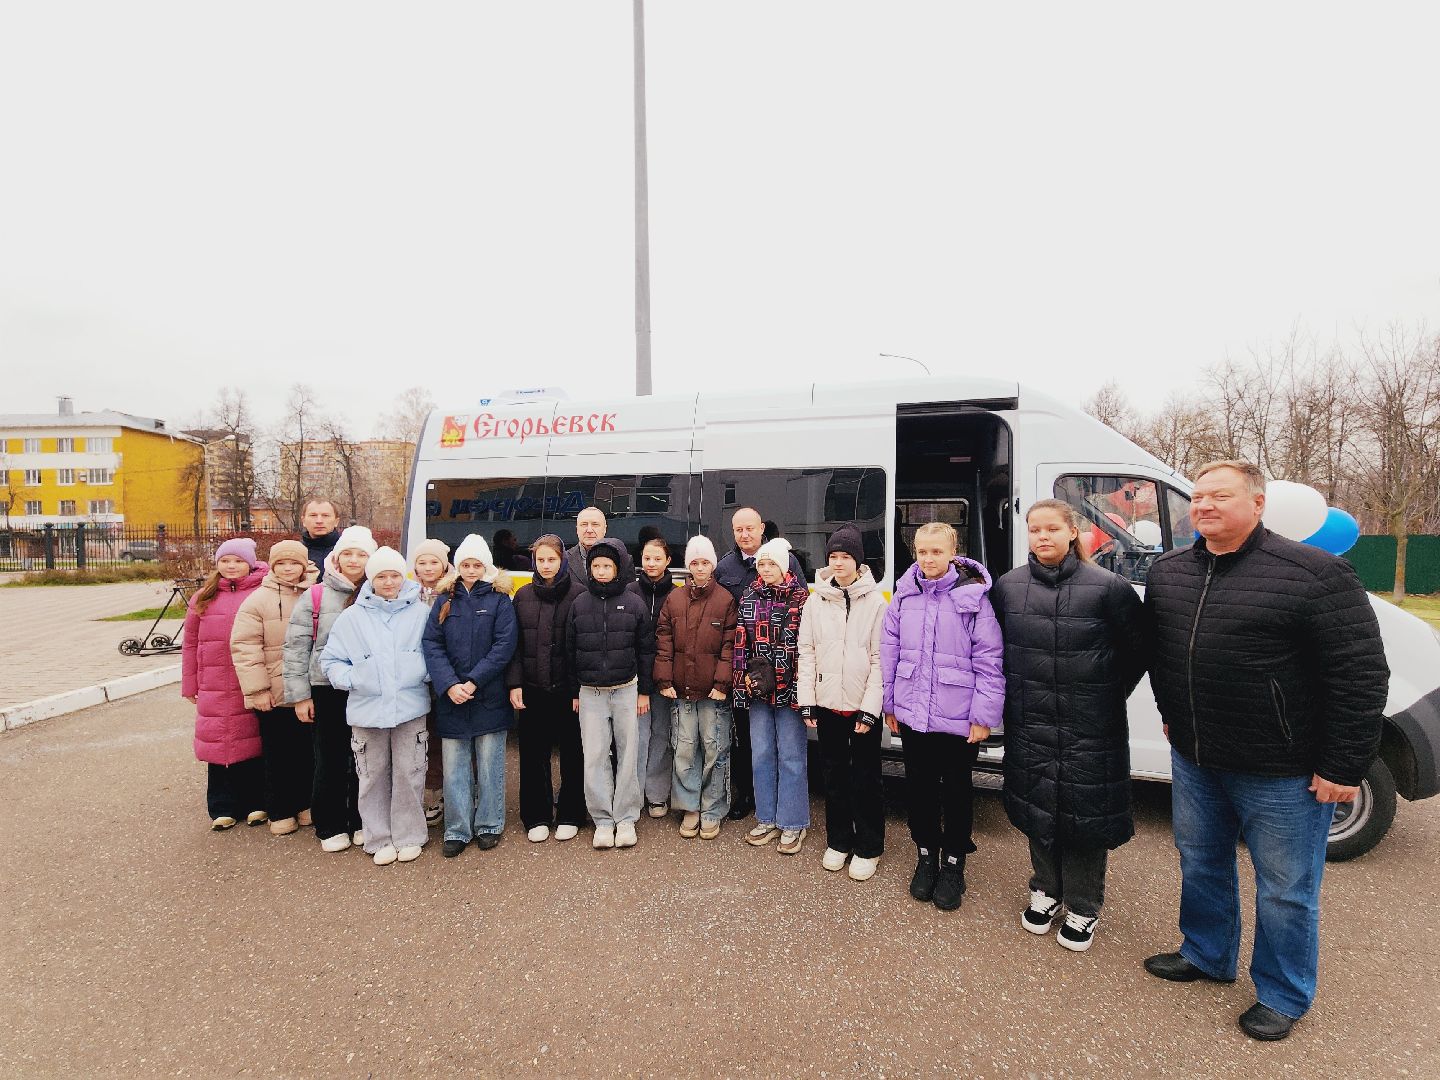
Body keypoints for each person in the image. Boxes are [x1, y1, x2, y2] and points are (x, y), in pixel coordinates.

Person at [1141, 460, 1388, 1041]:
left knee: (1285, 888)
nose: (1203, 506)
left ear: (1257, 503)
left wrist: (1342, 765)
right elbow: (1164, 657)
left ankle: (1283, 994)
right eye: (1197, 496)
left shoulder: (1316, 573)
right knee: (1201, 862)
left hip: (1283, 770)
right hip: (1198, 758)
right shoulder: (1170, 572)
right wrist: (1173, 719)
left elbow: (1359, 675)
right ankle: (1205, 953)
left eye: (1219, 496)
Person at [990, 500, 1146, 951]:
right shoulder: (1008, 587)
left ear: (1073, 532)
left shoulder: (1108, 588)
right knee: (1039, 805)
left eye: (1052, 529)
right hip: (1031, 718)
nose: (1043, 537)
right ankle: (1045, 889)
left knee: (1085, 814)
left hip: (1090, 724)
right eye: (1035, 529)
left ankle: (1082, 905)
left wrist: (1106, 694)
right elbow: (993, 647)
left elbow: (1137, 651)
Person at [881, 522, 1004, 912]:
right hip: (914, 713)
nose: (928, 559)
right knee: (918, 788)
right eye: (921, 552)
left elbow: (989, 660)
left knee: (956, 790)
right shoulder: (904, 596)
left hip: (958, 716)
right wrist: (890, 704)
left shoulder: (973, 598)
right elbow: (889, 652)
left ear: (952, 553)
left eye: (936, 552)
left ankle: (953, 863)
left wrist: (984, 715)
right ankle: (925, 856)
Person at [320, 547, 432, 866]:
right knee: (371, 775)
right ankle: (378, 836)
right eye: (381, 576)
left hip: (410, 708)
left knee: (410, 772)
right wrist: (354, 677)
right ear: (371, 579)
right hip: (367, 710)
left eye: (394, 575)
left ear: (403, 576)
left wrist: (420, 672)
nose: (388, 582)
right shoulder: (353, 616)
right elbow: (330, 660)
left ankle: (409, 834)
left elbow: (434, 652)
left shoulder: (420, 613)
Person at [797, 523, 887, 881]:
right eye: (833, 556)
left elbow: (881, 659)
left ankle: (869, 846)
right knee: (833, 776)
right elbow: (807, 652)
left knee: (866, 777)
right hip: (827, 703)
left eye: (846, 556)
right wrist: (808, 701)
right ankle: (839, 840)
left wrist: (870, 708)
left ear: (858, 561)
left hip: (862, 706)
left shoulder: (876, 603)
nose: (838, 563)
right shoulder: (816, 600)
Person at [422, 534, 519, 858]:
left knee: (491, 767)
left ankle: (489, 825)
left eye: (477, 564)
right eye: (466, 564)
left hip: (488, 696)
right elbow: (432, 644)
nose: (472, 569)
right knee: (455, 768)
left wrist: (474, 681)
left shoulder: (499, 599)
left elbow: (504, 646)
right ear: (458, 566)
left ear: (486, 566)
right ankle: (457, 829)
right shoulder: (444, 599)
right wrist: (449, 684)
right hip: (452, 699)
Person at [284, 524, 374, 853]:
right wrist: (300, 695)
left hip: (366, 686)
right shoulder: (317, 595)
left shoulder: (380, 591)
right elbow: (295, 648)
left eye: (361, 554)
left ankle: (362, 819)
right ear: (335, 557)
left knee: (365, 757)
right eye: (347, 553)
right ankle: (330, 823)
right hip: (325, 687)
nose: (353, 560)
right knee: (330, 757)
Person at [714, 507, 806, 822]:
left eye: (750, 528)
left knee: (788, 750)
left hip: (785, 675)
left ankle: (789, 815)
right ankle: (750, 798)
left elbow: (802, 615)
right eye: (738, 529)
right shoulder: (725, 566)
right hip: (750, 676)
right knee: (750, 743)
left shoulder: (786, 561)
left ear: (761, 527)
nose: (744, 534)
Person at [567, 540, 657, 850]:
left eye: (607, 566)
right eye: (596, 566)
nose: (601, 571)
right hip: (590, 692)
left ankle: (627, 817)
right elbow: (570, 650)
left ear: (617, 568)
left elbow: (646, 651)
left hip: (626, 690)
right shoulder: (579, 603)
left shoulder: (633, 602)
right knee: (594, 756)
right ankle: (603, 820)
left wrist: (644, 691)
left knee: (628, 754)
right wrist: (574, 692)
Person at [229, 539, 319, 836]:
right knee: (277, 753)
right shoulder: (257, 600)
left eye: (294, 563)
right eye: (281, 563)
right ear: (272, 566)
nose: (288, 569)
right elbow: (245, 646)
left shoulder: (316, 594)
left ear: (304, 565)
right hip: (274, 691)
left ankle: (306, 804)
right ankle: (280, 809)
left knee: (307, 751)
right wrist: (257, 691)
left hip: (307, 689)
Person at [182, 538, 269, 830]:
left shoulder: (261, 592)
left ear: (251, 563)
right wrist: (189, 683)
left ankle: (257, 802)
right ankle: (223, 806)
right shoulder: (203, 598)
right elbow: (190, 643)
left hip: (250, 679)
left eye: (238, 561)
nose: (231, 566)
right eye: (225, 561)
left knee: (253, 740)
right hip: (214, 682)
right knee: (218, 743)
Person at [654, 536, 737, 839]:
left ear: (712, 566)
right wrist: (664, 679)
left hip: (714, 693)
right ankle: (690, 806)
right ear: (688, 566)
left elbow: (730, 646)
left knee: (715, 748)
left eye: (705, 563)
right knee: (685, 749)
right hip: (682, 690)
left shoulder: (725, 600)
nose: (700, 568)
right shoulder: (674, 600)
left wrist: (722, 683)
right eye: (695, 563)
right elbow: (664, 642)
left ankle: (712, 808)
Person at [733, 536, 811, 855]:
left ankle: (793, 822)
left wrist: (803, 690)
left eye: (771, 564)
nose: (765, 569)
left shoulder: (802, 599)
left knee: (791, 756)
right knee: (761, 753)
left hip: (790, 687)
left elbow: (808, 648)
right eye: (761, 564)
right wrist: (743, 682)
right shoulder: (749, 596)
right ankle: (766, 817)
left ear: (785, 565)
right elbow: (741, 643)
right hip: (759, 690)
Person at [508, 534, 586, 843]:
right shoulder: (523, 595)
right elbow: (514, 646)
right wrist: (514, 683)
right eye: (540, 560)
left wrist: (580, 689)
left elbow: (583, 647)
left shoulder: (579, 595)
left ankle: (570, 813)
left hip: (568, 690)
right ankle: (536, 815)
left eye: (551, 559)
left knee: (572, 753)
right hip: (532, 687)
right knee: (532, 754)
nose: (545, 565)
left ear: (562, 560)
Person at [409, 538, 453, 826]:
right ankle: (434, 793)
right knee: (427, 740)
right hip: (416, 678)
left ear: (444, 565)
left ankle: (459, 792)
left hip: (447, 676)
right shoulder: (405, 593)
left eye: (433, 562)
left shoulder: (455, 593)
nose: (428, 568)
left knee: (453, 736)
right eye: (422, 562)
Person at [635, 536, 679, 817]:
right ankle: (634, 793)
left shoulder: (676, 595)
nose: (651, 564)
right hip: (635, 678)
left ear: (668, 561)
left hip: (664, 679)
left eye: (657, 558)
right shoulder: (629, 591)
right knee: (637, 737)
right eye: (647, 558)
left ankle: (657, 794)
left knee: (662, 735)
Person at [564, 506, 635, 584]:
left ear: (605, 529)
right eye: (584, 524)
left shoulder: (624, 560)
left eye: (595, 524)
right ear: (577, 529)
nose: (589, 530)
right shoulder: (564, 560)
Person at [299, 497, 342, 569]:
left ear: (336, 522)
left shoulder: (347, 551)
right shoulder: (295, 552)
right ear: (303, 521)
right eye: (313, 515)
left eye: (325, 515)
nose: (319, 521)